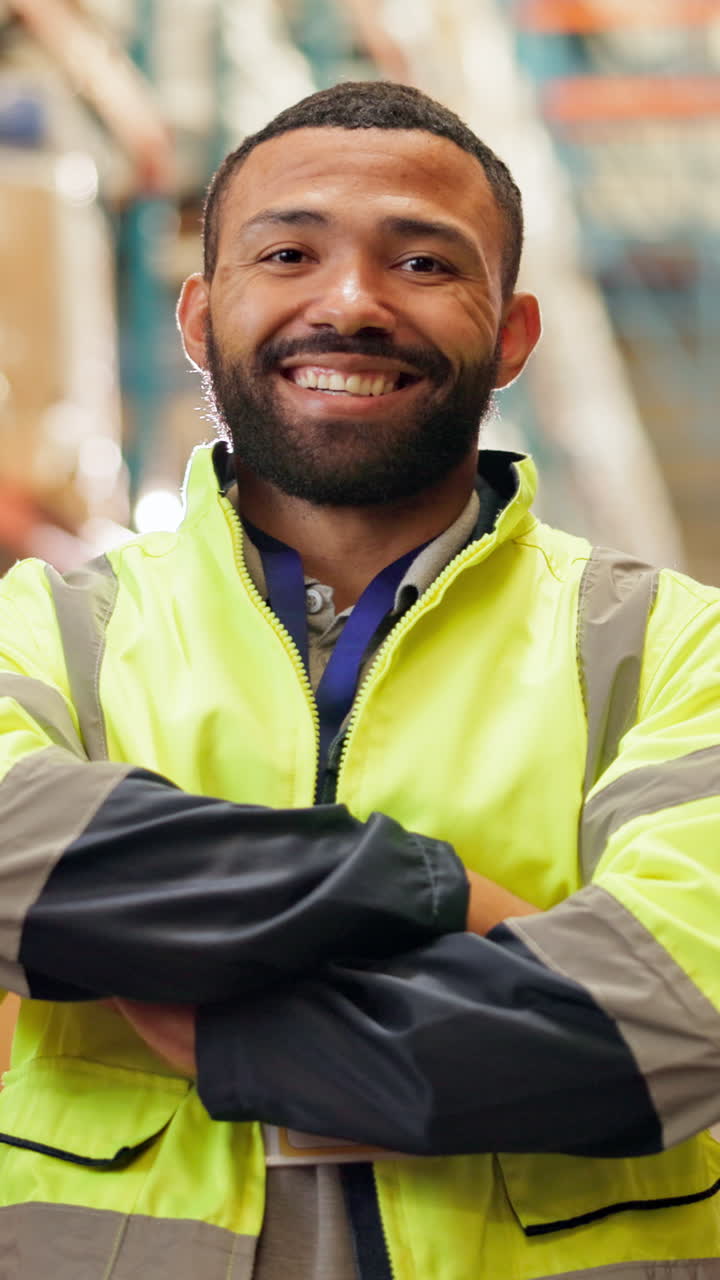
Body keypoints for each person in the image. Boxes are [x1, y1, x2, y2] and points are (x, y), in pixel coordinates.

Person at [0, 79, 718, 1280]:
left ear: (512, 334)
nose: (349, 302)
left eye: (424, 263)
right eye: (289, 252)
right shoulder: (51, 624)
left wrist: (233, 1031)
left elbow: (674, 1013)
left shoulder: (674, 644)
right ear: (199, 315)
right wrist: (425, 885)